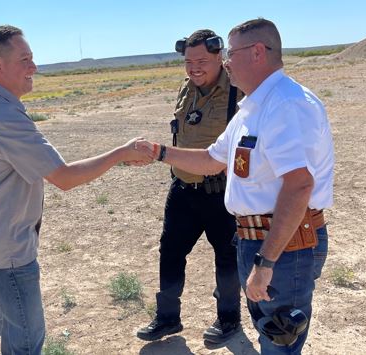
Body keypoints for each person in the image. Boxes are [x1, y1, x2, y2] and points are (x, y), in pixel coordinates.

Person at [136, 18, 334, 354]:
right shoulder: (251, 109)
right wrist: (158, 153)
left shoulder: (286, 104)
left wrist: (266, 262)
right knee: (268, 335)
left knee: (279, 343)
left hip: (284, 246)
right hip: (256, 239)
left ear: (258, 52)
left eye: (231, 53)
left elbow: (299, 186)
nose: (226, 62)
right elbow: (213, 159)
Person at [0, 25, 151, 354]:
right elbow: (64, 177)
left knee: (17, 330)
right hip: (6, 253)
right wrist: (122, 152)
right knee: (27, 340)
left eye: (32, 57)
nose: (34, 67)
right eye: (25, 59)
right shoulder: (0, 113)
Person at [136, 29, 244, 344]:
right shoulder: (187, 88)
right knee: (169, 252)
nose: (194, 67)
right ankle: (167, 318)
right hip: (183, 188)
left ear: (220, 56)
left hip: (220, 192)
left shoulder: (238, 91)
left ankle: (229, 320)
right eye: (188, 61)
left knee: (226, 258)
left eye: (201, 61)